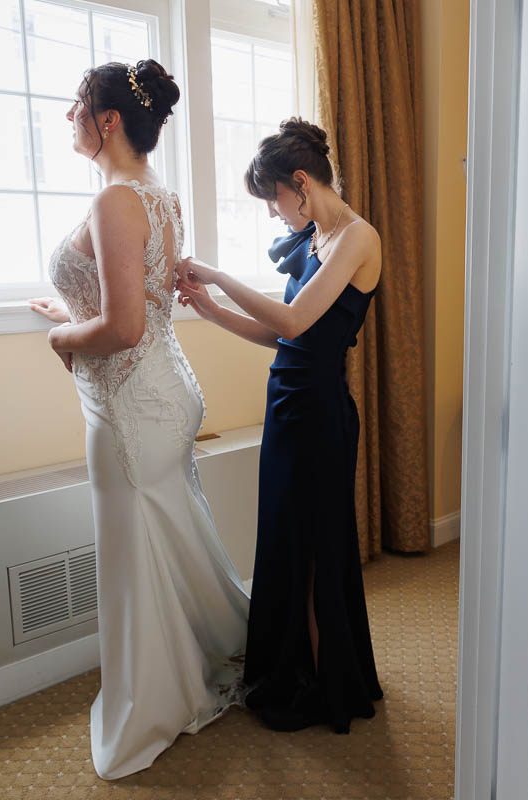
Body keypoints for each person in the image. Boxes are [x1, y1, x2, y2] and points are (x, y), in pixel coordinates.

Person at [28, 59, 248, 779]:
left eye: (76, 106)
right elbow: (141, 307)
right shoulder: (161, 196)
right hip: (162, 390)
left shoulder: (117, 201)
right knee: (167, 538)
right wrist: (70, 314)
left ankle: (152, 704)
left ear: (109, 120)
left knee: (135, 557)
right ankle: (236, 646)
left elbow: (121, 327)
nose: (69, 118)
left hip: (132, 406)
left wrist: (60, 338)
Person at [174, 118, 383, 733]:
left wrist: (216, 275)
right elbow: (279, 337)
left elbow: (294, 322)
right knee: (287, 545)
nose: (273, 212)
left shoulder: (356, 237)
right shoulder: (317, 236)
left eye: (273, 199)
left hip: (320, 414)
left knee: (316, 550)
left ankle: (326, 683)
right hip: (287, 406)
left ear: (300, 182)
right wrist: (210, 312)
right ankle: (297, 668)